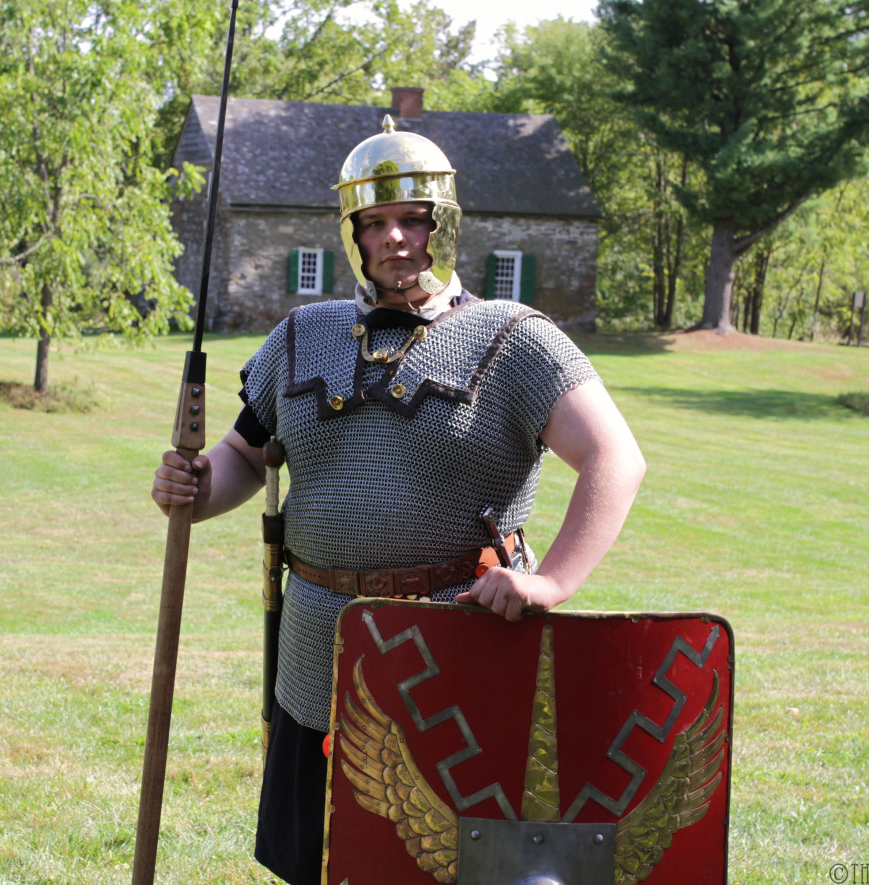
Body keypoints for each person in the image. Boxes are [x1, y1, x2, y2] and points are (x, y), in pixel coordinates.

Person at [151, 116, 646, 885]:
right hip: (320, 647)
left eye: (413, 219)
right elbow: (245, 456)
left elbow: (616, 457)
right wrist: (197, 484)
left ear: (444, 221)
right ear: (353, 233)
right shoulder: (301, 336)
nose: (396, 239)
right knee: (320, 861)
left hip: (459, 646)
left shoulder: (516, 337)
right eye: (374, 222)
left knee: (453, 866)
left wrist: (550, 581)